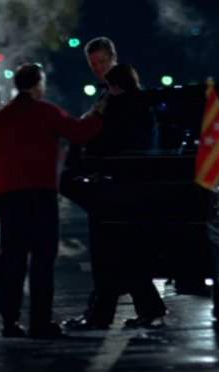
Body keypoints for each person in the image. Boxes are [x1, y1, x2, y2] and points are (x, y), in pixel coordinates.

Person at [0, 63, 103, 339]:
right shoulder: (47, 112)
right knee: (42, 262)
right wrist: (98, 113)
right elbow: (79, 133)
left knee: (12, 262)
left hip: (10, 199)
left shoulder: (2, 118)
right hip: (40, 197)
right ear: (38, 85)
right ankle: (40, 321)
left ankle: (10, 321)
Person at [77, 64, 168, 329]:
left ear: (115, 86)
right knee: (129, 255)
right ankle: (147, 308)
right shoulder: (146, 107)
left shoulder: (116, 109)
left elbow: (94, 140)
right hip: (140, 188)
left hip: (114, 189)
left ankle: (104, 315)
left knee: (111, 256)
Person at [61, 37, 122, 330]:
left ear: (113, 58)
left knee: (107, 252)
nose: (99, 69)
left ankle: (100, 314)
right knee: (119, 253)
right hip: (106, 180)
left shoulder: (119, 94)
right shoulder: (108, 93)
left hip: (112, 183)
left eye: (102, 62)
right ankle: (148, 307)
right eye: (94, 64)